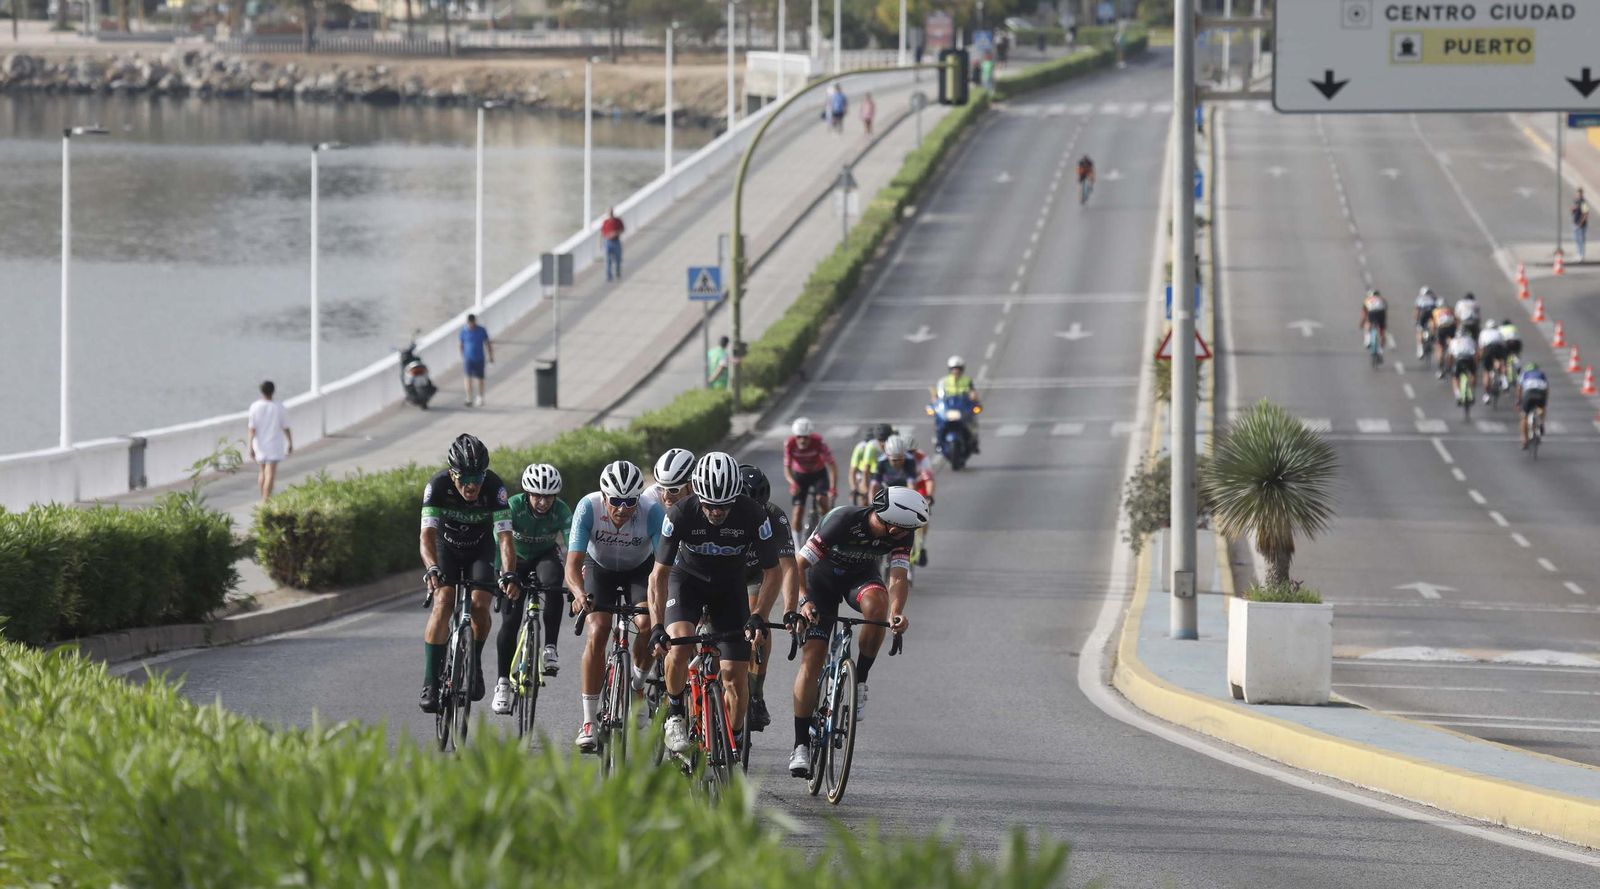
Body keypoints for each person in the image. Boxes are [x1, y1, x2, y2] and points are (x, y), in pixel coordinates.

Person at [785, 486, 927, 777]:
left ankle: (859, 681)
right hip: (819, 581)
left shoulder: (903, 531)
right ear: (889, 521)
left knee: (878, 610)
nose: (906, 534)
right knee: (812, 660)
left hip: (860, 578)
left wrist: (896, 612)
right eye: (903, 529)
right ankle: (800, 745)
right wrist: (803, 601)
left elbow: (898, 577)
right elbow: (798, 566)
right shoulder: (842, 521)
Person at [648, 452, 782, 755]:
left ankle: (732, 742)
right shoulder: (681, 513)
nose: (716, 512)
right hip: (687, 582)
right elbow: (659, 575)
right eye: (709, 504)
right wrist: (657, 625)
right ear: (697, 493)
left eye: (724, 505)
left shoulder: (753, 514)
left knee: (736, 677)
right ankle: (675, 713)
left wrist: (759, 614)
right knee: (679, 644)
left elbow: (773, 573)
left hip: (729, 588)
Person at [565, 460, 664, 752]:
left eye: (630, 501)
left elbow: (664, 568)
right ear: (604, 496)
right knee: (598, 629)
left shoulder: (652, 512)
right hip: (599, 569)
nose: (622, 508)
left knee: (647, 624)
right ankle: (588, 722)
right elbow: (572, 564)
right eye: (616, 501)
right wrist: (579, 593)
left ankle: (636, 685)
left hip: (640, 570)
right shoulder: (588, 507)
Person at [419, 433, 519, 714]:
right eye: (464, 478)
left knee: (479, 605)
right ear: (452, 475)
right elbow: (426, 536)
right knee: (443, 601)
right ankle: (429, 681)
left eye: (477, 477)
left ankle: (473, 661)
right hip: (445, 548)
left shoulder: (495, 487)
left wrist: (509, 573)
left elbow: (505, 539)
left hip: (480, 548)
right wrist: (431, 568)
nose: (471, 485)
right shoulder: (437, 486)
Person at [492, 463, 572, 715]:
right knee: (510, 620)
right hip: (513, 559)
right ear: (527, 493)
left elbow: (573, 547)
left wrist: (574, 580)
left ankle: (550, 648)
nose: (542, 502)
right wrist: (505, 576)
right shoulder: (513, 506)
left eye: (548, 496)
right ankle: (503, 682)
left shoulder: (561, 511)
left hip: (543, 557)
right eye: (537, 495)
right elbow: (500, 543)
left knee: (553, 584)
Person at [738, 462, 797, 733]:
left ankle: (756, 694)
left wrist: (789, 610)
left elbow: (788, 566)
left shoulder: (774, 516)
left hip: (756, 574)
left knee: (757, 620)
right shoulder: (719, 512)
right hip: (719, 573)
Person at [783, 417, 838, 536]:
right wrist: (793, 483)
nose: (802, 440)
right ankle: (796, 548)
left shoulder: (819, 442)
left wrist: (832, 488)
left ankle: (829, 533)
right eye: (799, 437)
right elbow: (787, 468)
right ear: (795, 436)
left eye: (806, 437)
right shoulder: (789, 444)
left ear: (810, 436)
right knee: (797, 513)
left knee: (822, 500)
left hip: (818, 475)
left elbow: (832, 465)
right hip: (800, 476)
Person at [247, 380, 293, 502]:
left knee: (262, 472)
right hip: (274, 444)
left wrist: (250, 445)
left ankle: (263, 496)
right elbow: (285, 427)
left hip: (260, 444)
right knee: (270, 473)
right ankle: (265, 500)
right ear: (273, 391)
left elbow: (252, 428)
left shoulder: (255, 407)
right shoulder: (279, 406)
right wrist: (290, 442)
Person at [937, 355, 981, 453]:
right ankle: (938, 442)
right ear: (950, 369)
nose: (956, 371)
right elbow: (938, 395)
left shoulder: (968, 380)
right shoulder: (944, 381)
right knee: (939, 421)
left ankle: (974, 442)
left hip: (962, 406)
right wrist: (936, 402)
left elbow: (973, 393)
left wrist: (974, 398)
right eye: (954, 369)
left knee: (972, 423)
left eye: (958, 369)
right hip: (949, 406)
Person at [645, 447, 696, 513]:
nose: (666, 496)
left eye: (673, 490)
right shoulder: (650, 497)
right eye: (661, 488)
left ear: (691, 486)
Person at [459, 314, 493, 407]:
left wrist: (491, 356)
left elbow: (487, 343)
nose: (471, 324)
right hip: (468, 359)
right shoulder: (463, 331)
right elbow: (461, 345)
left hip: (479, 358)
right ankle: (469, 398)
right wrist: (463, 357)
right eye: (469, 323)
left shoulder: (481, 330)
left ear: (475, 321)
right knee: (467, 378)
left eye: (472, 322)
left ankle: (480, 397)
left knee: (480, 379)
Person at [1516, 362, 1549, 449]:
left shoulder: (1524, 374)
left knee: (1524, 417)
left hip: (1529, 394)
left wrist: (1518, 401)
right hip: (1540, 393)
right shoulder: (1541, 374)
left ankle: (1524, 440)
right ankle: (1541, 423)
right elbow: (1546, 388)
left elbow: (1519, 388)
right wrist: (1545, 402)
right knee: (1542, 408)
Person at [1478, 318, 1507, 403]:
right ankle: (1504, 379)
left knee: (1486, 372)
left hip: (1487, 349)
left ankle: (1486, 395)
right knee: (1501, 361)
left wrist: (1480, 358)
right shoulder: (1498, 332)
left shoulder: (1483, 333)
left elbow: (1481, 347)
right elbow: (1503, 344)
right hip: (1498, 348)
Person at [1447, 330, 1479, 403]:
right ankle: (1472, 390)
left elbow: (1450, 356)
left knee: (1455, 377)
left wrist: (1449, 366)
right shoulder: (1470, 340)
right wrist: (1476, 364)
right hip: (1469, 359)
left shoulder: (1453, 341)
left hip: (1459, 360)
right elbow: (1476, 353)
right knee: (1473, 374)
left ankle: (1458, 394)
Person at [1430, 300, 1458, 378]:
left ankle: (1440, 369)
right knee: (1452, 347)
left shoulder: (1435, 311)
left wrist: (1432, 334)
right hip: (1451, 328)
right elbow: (1456, 321)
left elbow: (1433, 324)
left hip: (1441, 328)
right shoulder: (1450, 310)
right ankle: (1451, 366)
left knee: (1440, 349)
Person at [1359, 289, 1387, 361]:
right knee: (1381, 331)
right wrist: (1384, 324)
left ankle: (1368, 339)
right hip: (1381, 314)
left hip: (1372, 313)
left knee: (1368, 323)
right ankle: (1380, 350)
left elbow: (1364, 314)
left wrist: (1361, 323)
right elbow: (1384, 311)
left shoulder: (1367, 299)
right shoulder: (1382, 300)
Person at [601, 208, 626, 282]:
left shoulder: (618, 221)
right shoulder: (605, 222)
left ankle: (618, 272)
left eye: (611, 212)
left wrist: (616, 233)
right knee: (607, 260)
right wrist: (600, 243)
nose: (610, 214)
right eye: (609, 213)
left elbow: (623, 229)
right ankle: (609, 276)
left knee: (618, 259)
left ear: (613, 213)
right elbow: (602, 233)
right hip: (607, 242)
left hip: (616, 242)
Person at [1414, 287, 1439, 359]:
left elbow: (1417, 311)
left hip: (1423, 313)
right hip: (1432, 312)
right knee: (1433, 323)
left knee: (1419, 330)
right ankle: (1433, 335)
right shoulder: (1434, 298)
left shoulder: (1420, 298)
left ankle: (1420, 349)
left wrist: (1416, 320)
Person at [1574, 188, 1590, 263]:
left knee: (1581, 240)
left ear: (1582, 194)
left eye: (1579, 194)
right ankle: (1578, 253)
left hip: (1581, 225)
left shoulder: (1583, 202)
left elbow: (1586, 214)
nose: (1578, 195)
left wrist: (1581, 222)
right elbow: (1576, 212)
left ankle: (1581, 255)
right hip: (1576, 223)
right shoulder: (1577, 202)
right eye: (1577, 194)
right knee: (1577, 239)